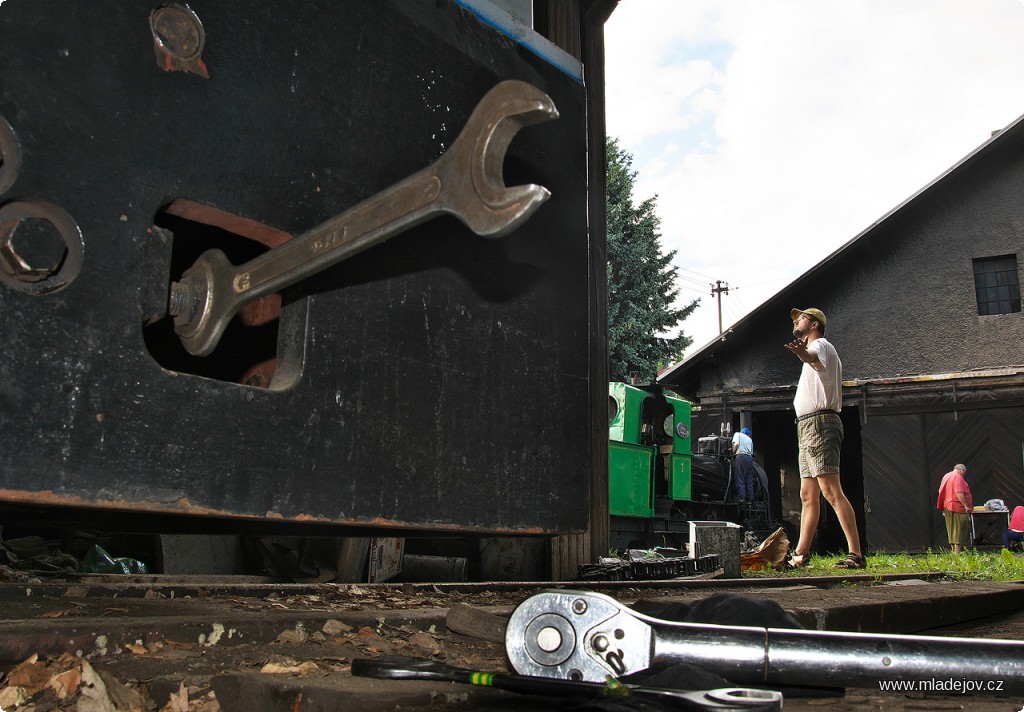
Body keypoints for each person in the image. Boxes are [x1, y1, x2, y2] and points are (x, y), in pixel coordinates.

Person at [783, 308, 864, 569]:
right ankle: (800, 555)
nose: (796, 321)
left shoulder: (821, 345)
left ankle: (856, 554)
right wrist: (802, 354)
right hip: (807, 425)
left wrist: (801, 353)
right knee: (808, 494)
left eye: (801, 318)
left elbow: (813, 358)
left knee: (830, 490)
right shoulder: (814, 349)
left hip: (820, 423)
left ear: (814, 323)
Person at [936, 464, 972, 554]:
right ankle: (957, 550)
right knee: (959, 527)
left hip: (947, 505)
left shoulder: (946, 476)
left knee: (950, 527)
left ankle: (953, 549)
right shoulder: (958, 477)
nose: (963, 475)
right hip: (957, 506)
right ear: (961, 471)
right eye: (963, 473)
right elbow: (959, 492)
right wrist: (966, 505)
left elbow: (940, 490)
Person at [731, 427, 756, 504]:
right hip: (749, 458)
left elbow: (737, 444)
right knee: (749, 479)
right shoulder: (750, 439)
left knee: (740, 477)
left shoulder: (737, 434)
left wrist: (733, 452)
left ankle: (741, 497)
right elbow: (751, 452)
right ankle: (750, 498)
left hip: (741, 456)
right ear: (748, 434)